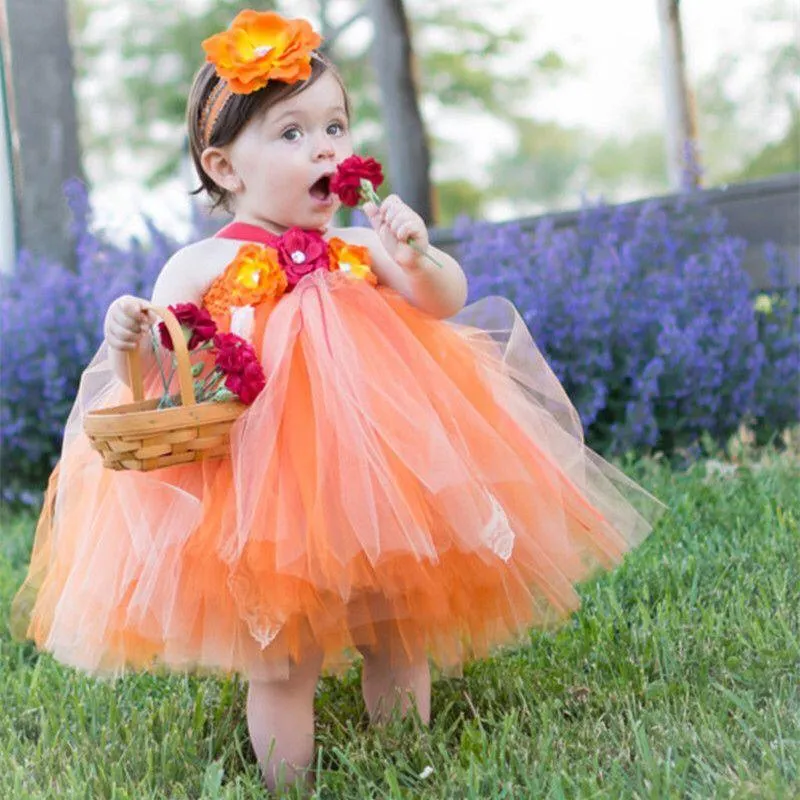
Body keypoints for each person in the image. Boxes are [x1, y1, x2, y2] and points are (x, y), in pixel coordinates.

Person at [11, 9, 663, 793]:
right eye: (291, 134)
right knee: (282, 653)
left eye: (336, 126)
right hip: (262, 496)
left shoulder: (362, 246)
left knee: (398, 624)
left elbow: (444, 302)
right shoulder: (198, 265)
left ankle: (403, 763)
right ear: (224, 167)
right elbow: (160, 380)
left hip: (383, 477)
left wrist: (417, 253)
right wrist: (127, 339)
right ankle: (291, 780)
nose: (326, 147)